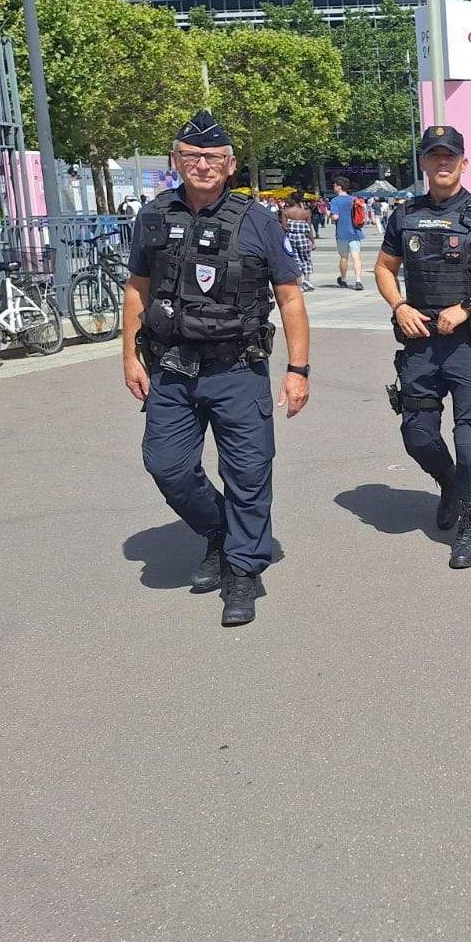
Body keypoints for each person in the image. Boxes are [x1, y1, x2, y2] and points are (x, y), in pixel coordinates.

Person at [121, 110, 310, 627]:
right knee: (168, 466)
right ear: (176, 161)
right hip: (171, 369)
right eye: (191, 155)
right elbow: (137, 288)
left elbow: (289, 297)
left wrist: (298, 369)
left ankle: (244, 571)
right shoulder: (154, 217)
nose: (202, 164)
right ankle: (220, 532)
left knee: (248, 474)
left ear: (229, 165)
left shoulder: (259, 221)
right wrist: (128, 355)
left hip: (237, 368)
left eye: (213, 157)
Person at [375, 125, 471, 569]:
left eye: (450, 156)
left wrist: (467, 307)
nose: (442, 162)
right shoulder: (404, 216)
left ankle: (470, 520)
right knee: (417, 435)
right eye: (433, 155)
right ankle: (450, 484)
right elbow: (384, 269)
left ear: (463, 162)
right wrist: (399, 304)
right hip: (420, 341)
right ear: (423, 162)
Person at [327, 177, 365, 290]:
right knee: (356, 256)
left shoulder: (335, 201)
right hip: (355, 231)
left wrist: (328, 214)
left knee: (344, 257)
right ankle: (358, 280)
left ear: (339, 187)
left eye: (334, 185)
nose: (333, 187)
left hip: (342, 232)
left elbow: (335, 217)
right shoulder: (354, 199)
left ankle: (343, 279)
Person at [281, 202, 316, 291]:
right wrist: (312, 241)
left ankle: (299, 283)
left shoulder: (286, 212)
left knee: (295, 259)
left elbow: (284, 227)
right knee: (306, 259)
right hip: (303, 237)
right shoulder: (306, 212)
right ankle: (306, 279)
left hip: (291, 237)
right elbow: (309, 228)